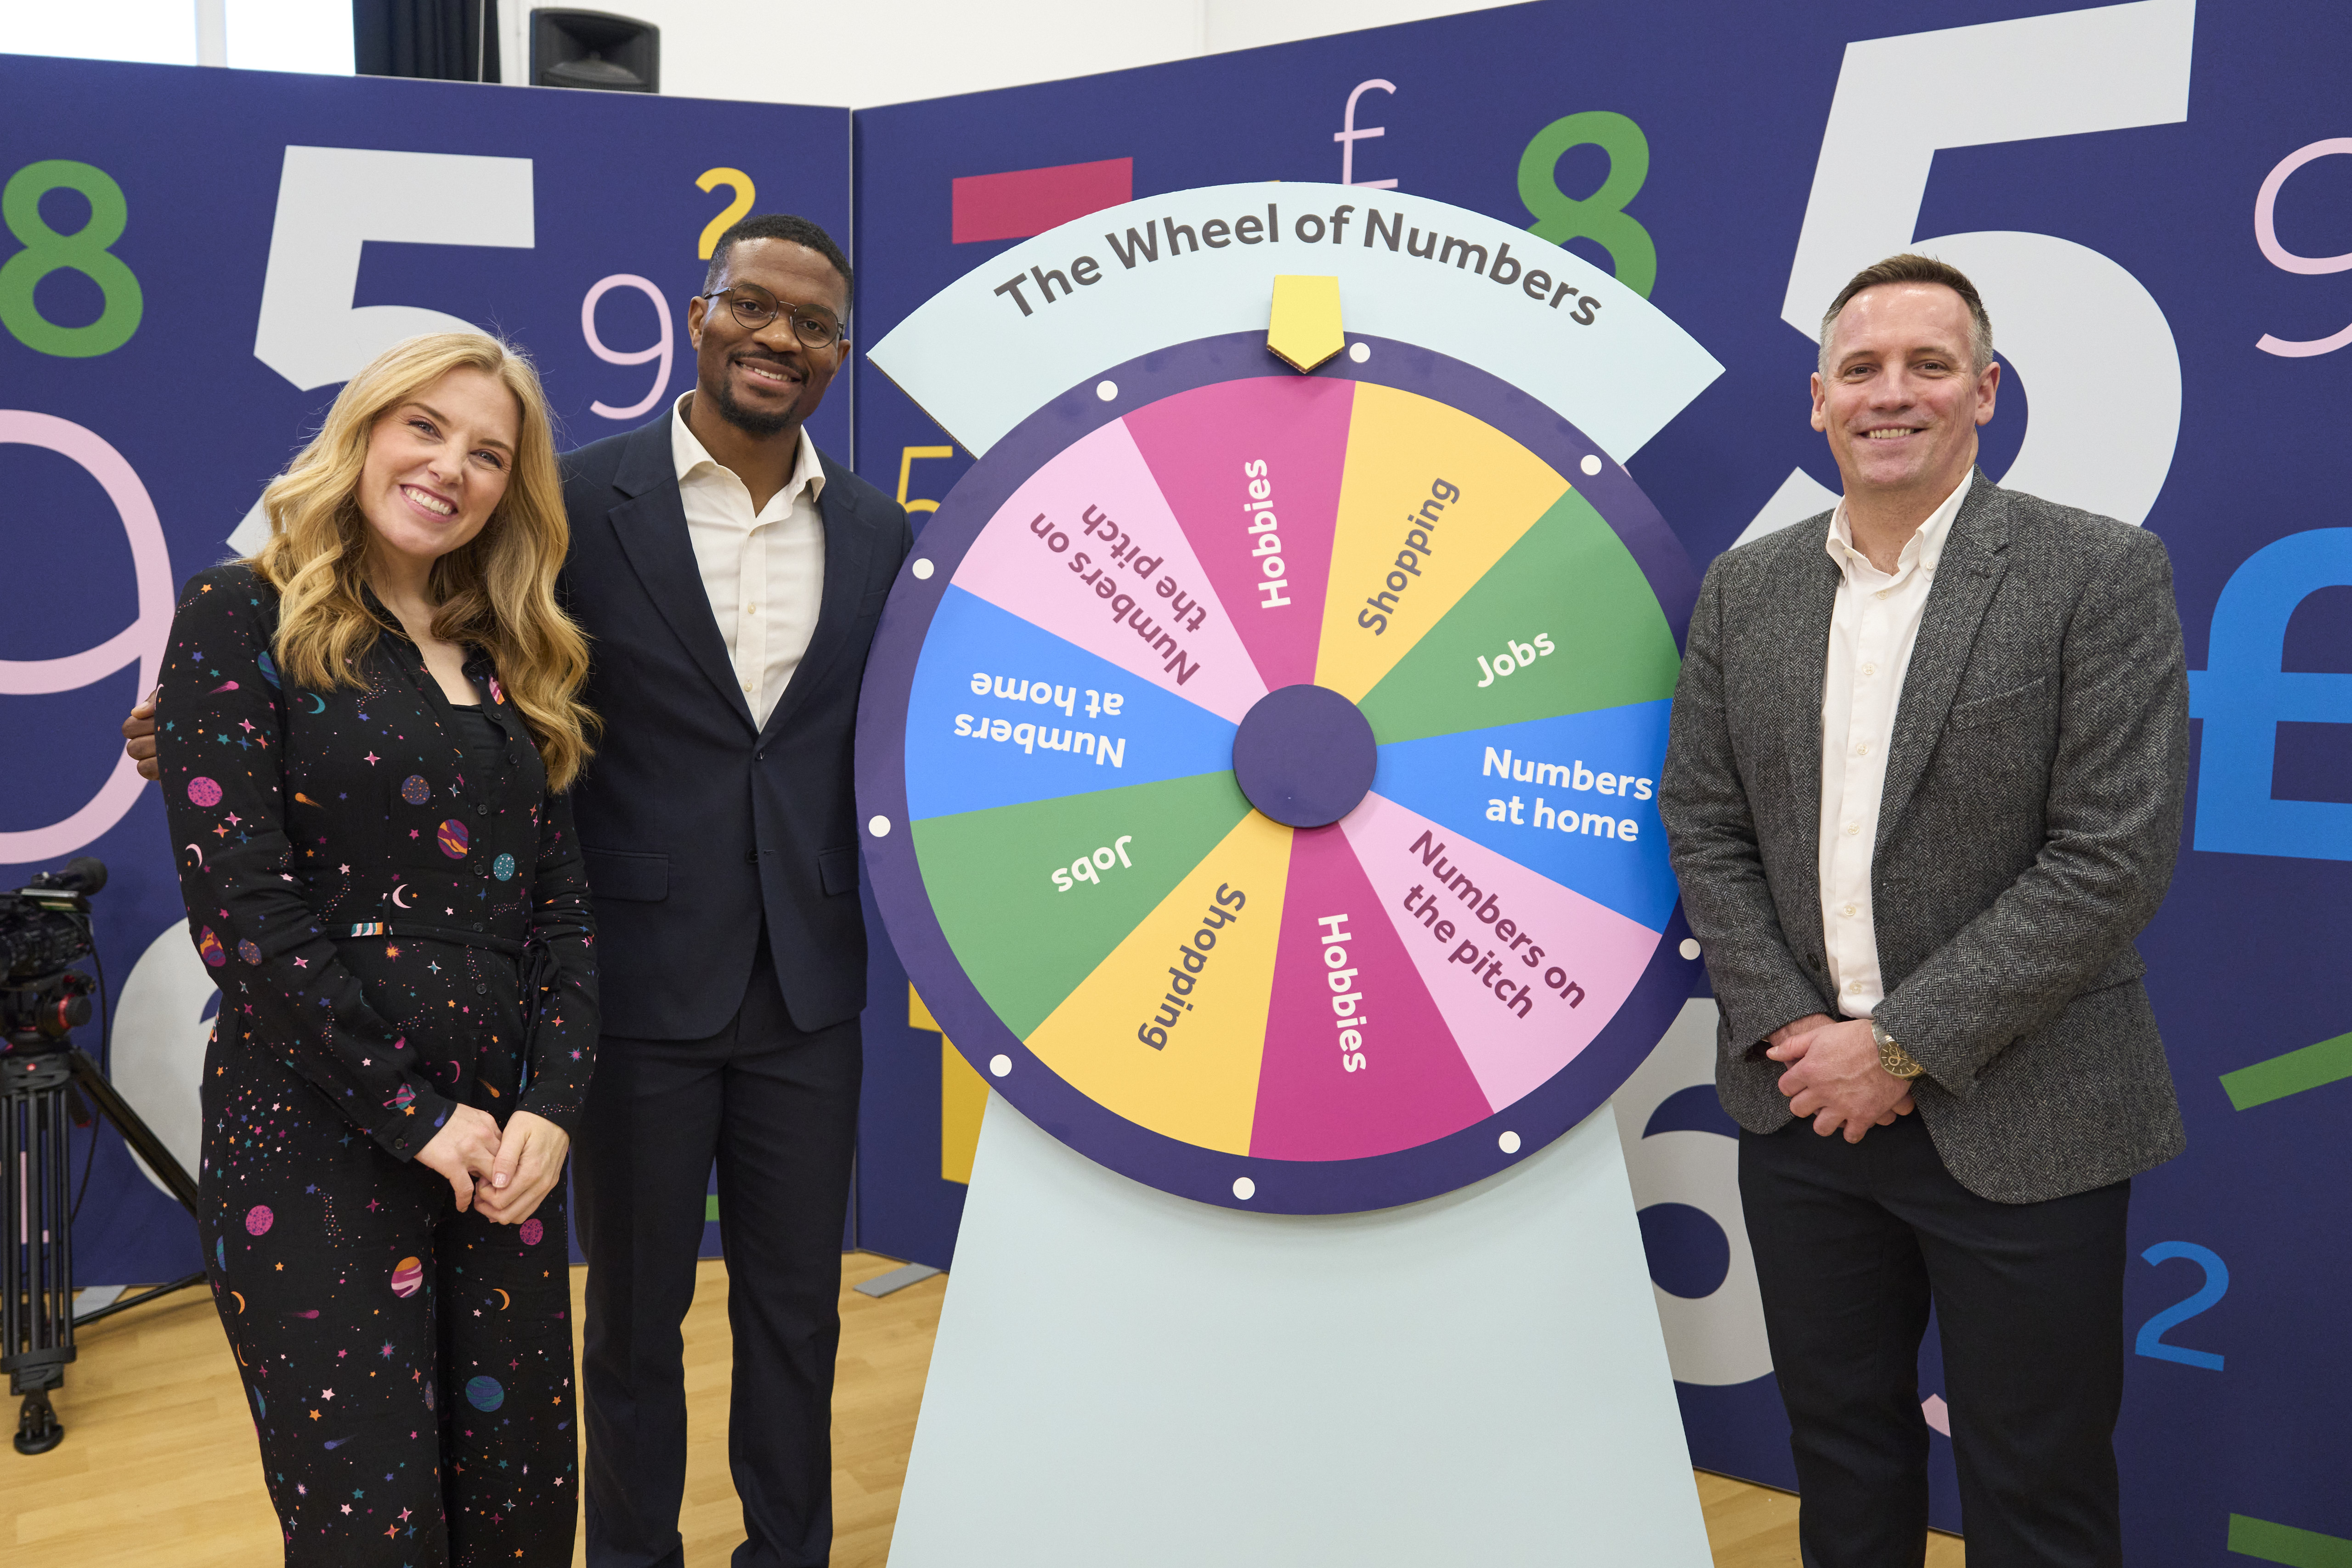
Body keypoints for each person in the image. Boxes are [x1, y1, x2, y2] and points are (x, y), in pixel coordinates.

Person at [131, 213, 904, 1566]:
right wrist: (193, 729)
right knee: (617, 1330)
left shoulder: (883, 534)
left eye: (817, 322)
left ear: (843, 352)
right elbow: (296, 811)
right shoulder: (576, 508)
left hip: (776, 996)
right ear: (699, 312)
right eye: (754, 305)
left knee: (782, 1322)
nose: (782, 336)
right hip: (604, 1009)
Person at [1658, 253, 2189, 1567]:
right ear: (1819, 401)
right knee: (1840, 1457)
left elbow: (2108, 858)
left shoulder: (2097, 574)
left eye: (1928, 365)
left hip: (2028, 1108)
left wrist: (1890, 1048)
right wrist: (1800, 1036)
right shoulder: (1747, 588)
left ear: (1985, 393)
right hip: (1801, 1111)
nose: (1891, 393)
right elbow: (1706, 826)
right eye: (1862, 368)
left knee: (2037, 1487)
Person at [151, 332, 599, 1567]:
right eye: (426, 429)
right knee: (372, 1528)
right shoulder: (240, 611)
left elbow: (560, 912)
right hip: (311, 1140)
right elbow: (241, 911)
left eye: (489, 453)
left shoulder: (515, 658)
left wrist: (553, 1109)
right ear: (364, 431)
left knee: (519, 1517)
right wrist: (412, 1112)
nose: (453, 467)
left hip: (501, 1152)